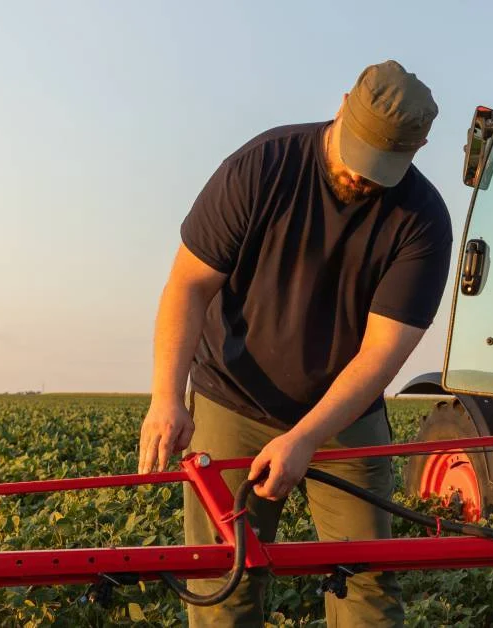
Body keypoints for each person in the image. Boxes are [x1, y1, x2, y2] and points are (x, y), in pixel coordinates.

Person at [136, 60, 450, 627]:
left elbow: (381, 353)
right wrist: (166, 398)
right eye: (358, 155)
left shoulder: (422, 220)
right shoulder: (262, 166)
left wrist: (306, 437)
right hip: (233, 399)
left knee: (366, 586)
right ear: (341, 106)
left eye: (382, 167)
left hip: (344, 416)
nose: (363, 176)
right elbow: (188, 285)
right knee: (223, 579)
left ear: (419, 147)